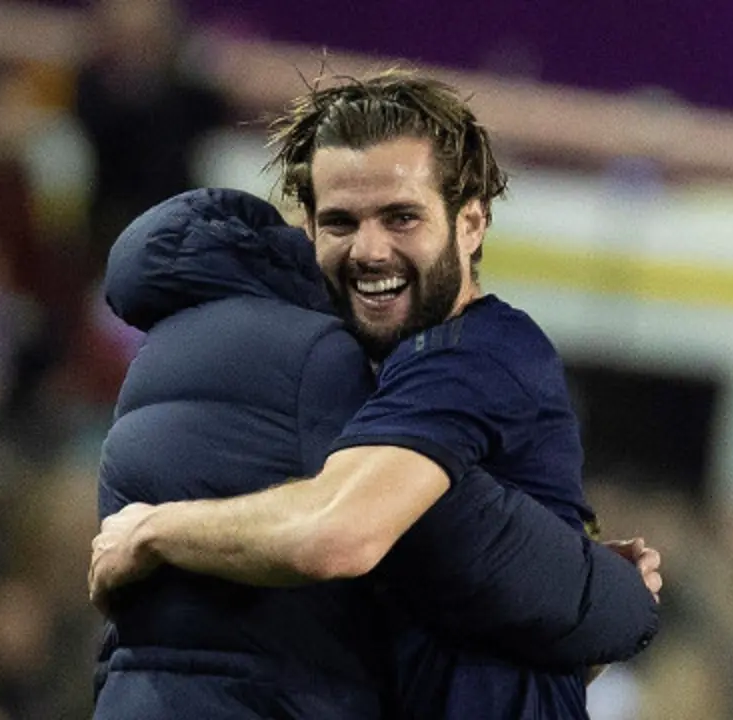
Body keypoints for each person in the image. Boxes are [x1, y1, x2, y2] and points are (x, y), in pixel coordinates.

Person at [90, 71, 660, 719]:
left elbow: (355, 551)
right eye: (341, 223)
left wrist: (154, 531)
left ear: (470, 222)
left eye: (401, 217)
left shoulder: (459, 357)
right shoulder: (387, 367)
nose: (369, 249)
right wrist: (600, 603)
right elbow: (345, 542)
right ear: (307, 232)